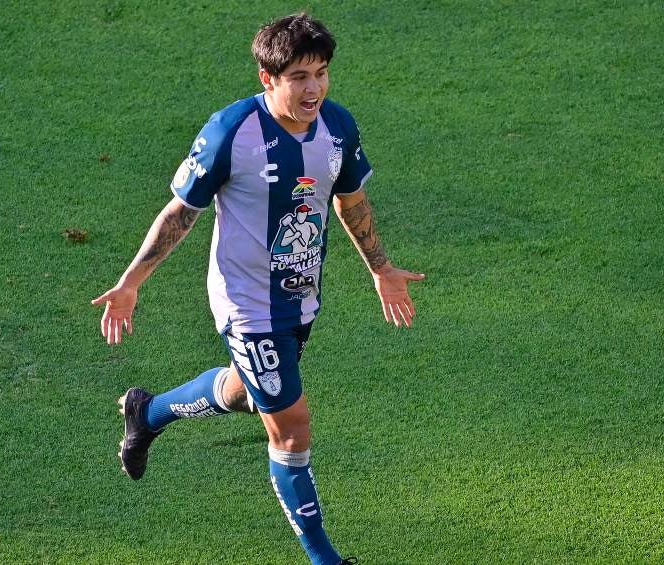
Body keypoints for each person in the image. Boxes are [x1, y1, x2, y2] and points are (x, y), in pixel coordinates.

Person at [91, 13, 423, 565]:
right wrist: (130, 283)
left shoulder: (337, 127)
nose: (313, 87)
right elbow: (181, 213)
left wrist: (381, 268)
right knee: (291, 429)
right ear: (267, 79)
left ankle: (147, 413)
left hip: (300, 296)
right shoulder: (231, 132)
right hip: (247, 304)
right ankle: (326, 559)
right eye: (298, 75)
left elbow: (351, 201)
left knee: (248, 392)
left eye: (320, 72)